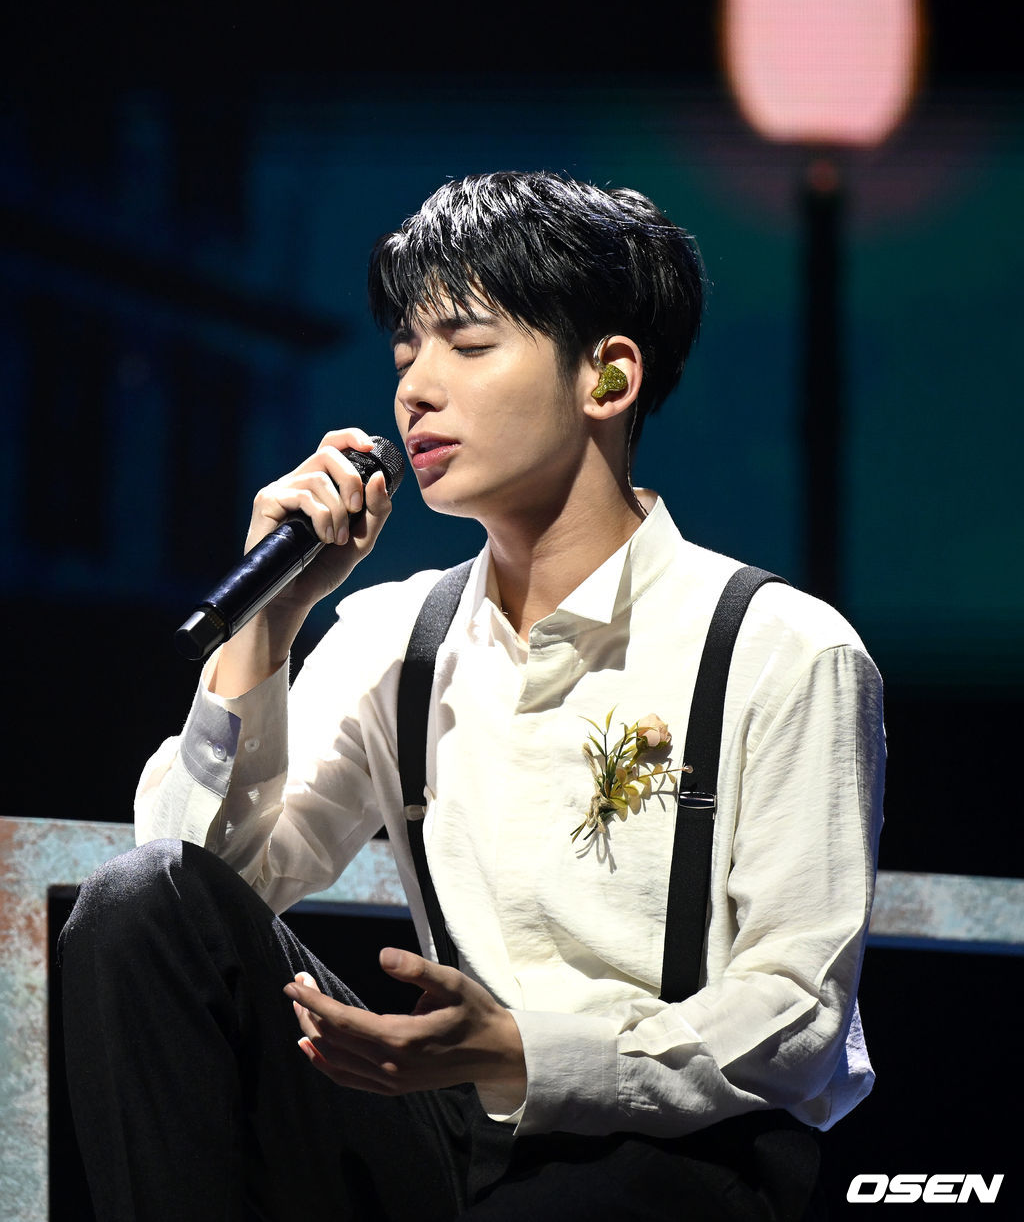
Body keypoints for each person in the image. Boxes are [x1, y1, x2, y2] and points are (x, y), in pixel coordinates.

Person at [61, 172, 885, 1221]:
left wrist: (523, 1051)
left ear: (608, 376)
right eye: (406, 352)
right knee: (136, 900)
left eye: (467, 344)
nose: (415, 388)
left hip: (673, 1153)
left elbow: (796, 1016)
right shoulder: (395, 633)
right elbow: (199, 894)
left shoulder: (782, 648)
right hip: (449, 1144)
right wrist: (270, 619)